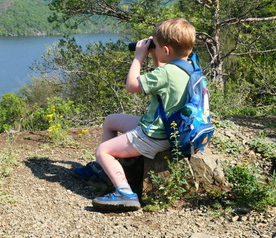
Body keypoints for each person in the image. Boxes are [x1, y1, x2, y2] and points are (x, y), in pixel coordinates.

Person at [73, 17, 196, 211]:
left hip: (155, 134)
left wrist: (139, 57)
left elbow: (132, 86)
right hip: (172, 129)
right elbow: (164, 78)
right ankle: (104, 169)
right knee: (111, 120)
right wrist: (156, 55)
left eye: (156, 46)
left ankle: (124, 192)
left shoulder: (167, 72)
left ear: (166, 50)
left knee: (103, 150)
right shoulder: (188, 66)